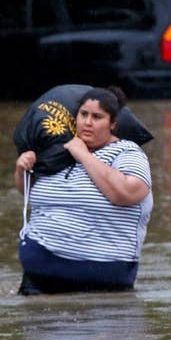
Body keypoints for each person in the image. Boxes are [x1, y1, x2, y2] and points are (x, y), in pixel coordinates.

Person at [13, 87, 153, 295]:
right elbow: (30, 193)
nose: (87, 123)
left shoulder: (127, 153)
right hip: (38, 280)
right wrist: (21, 169)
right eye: (83, 115)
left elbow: (127, 193)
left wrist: (83, 155)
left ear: (113, 124)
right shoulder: (58, 153)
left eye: (97, 117)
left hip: (101, 282)